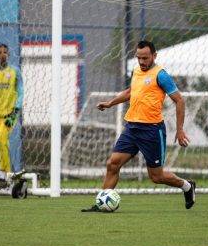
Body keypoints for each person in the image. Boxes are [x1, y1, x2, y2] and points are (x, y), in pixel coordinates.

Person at [81, 40, 196, 212]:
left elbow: (179, 100)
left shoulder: (161, 75)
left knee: (156, 177)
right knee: (113, 164)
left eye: (145, 58)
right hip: (132, 128)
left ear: (154, 56)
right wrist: (110, 103)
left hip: (152, 130)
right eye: (139, 58)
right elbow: (130, 92)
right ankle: (101, 203)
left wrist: (179, 130)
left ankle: (187, 186)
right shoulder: (136, 71)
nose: (141, 62)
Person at [0, 44, 23, 187]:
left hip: (10, 114)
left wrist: (15, 111)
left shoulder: (15, 71)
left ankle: (7, 176)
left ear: (8, 54)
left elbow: (21, 92)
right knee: (0, 145)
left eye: (5, 52)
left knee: (2, 141)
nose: (2, 55)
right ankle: (3, 176)